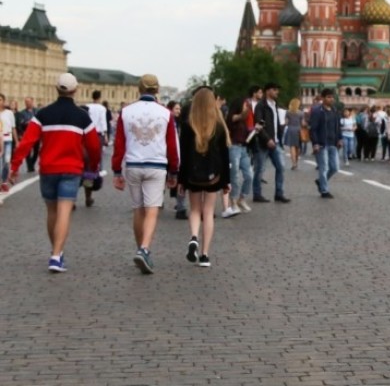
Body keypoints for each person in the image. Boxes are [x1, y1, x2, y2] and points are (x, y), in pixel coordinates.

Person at [4, 74, 103, 272]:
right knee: (65, 211)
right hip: (72, 169)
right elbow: (94, 146)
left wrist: (14, 167)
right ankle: (57, 255)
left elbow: (27, 143)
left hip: (48, 168)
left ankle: (55, 251)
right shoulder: (82, 116)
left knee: (51, 211)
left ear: (56, 89)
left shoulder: (42, 115)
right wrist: (93, 166)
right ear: (75, 90)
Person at [112, 74, 180, 274]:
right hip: (156, 164)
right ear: (157, 90)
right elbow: (171, 144)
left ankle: (140, 248)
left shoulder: (126, 111)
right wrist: (174, 171)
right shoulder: (166, 113)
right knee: (152, 209)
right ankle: (145, 249)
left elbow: (119, 144)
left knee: (138, 209)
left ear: (139, 89)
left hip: (133, 163)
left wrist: (117, 170)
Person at [179, 88, 231, 268]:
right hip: (213, 176)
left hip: (192, 175)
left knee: (194, 210)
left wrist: (181, 181)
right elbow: (225, 156)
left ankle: (194, 237)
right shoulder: (218, 125)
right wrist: (226, 182)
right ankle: (205, 255)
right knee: (208, 213)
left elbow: (183, 156)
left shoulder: (187, 125)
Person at [253, 82, 289, 203]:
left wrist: (279, 136)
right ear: (268, 91)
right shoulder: (261, 105)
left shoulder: (275, 104)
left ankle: (279, 193)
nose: (277, 92)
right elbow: (258, 124)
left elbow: (276, 123)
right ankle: (257, 194)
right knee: (260, 169)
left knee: (281, 167)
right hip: (263, 143)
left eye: (277, 90)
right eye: (274, 90)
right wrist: (267, 139)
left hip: (276, 142)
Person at [222, 95, 254, 217]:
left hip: (244, 148)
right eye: (245, 104)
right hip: (234, 147)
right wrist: (249, 108)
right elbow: (240, 116)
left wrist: (254, 131)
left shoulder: (244, 121)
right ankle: (233, 201)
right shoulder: (231, 117)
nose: (247, 106)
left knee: (249, 175)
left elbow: (247, 133)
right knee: (234, 175)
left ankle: (242, 198)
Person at [310, 89, 342, 199]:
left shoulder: (334, 110)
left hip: (333, 142)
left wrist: (340, 138)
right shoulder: (317, 111)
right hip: (322, 143)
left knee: (335, 168)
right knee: (324, 168)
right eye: (328, 97)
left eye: (332, 97)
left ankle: (320, 181)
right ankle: (324, 190)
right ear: (323, 98)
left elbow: (338, 126)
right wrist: (315, 143)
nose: (331, 99)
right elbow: (313, 129)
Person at [16, 97, 39, 172]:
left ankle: (32, 163)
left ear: (32, 102)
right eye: (26, 102)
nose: (27, 103)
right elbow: (21, 123)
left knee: (36, 151)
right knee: (27, 151)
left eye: (29, 102)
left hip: (36, 134)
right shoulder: (22, 113)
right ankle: (29, 166)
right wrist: (27, 122)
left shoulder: (37, 111)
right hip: (27, 134)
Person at [284, 98, 303, 170]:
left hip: (290, 130)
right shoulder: (301, 113)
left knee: (292, 147)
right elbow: (303, 123)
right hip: (298, 130)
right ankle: (296, 162)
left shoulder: (288, 112)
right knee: (297, 147)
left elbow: (286, 122)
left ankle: (293, 163)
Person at [0, 93, 14, 184]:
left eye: (0, 100)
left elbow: (13, 127)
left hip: (8, 139)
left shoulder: (9, 113)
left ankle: (4, 181)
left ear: (4, 101)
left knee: (6, 161)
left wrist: (17, 141)